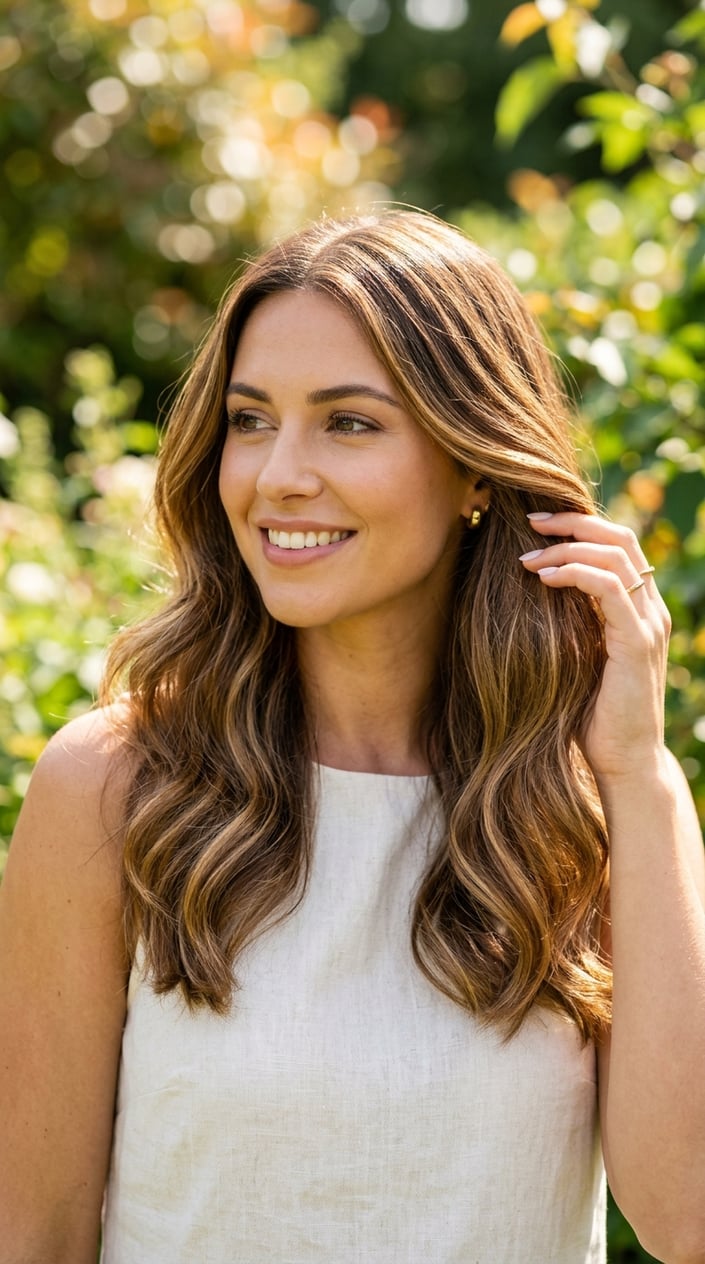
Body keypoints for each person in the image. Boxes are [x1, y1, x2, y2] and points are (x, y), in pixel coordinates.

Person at [1, 210, 704, 1264]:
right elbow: (33, 1232)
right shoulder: (113, 787)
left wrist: (638, 773)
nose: (279, 474)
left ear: (476, 470)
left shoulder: (596, 804)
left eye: (350, 422)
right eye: (250, 418)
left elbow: (686, 1214)